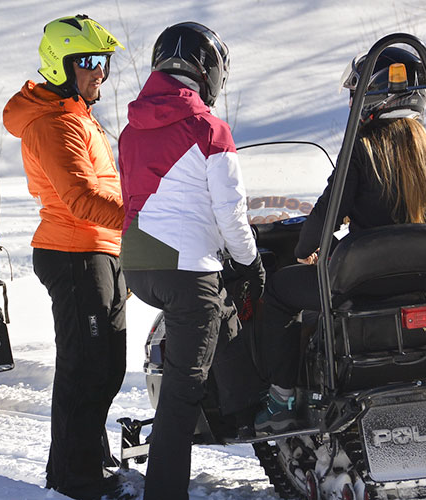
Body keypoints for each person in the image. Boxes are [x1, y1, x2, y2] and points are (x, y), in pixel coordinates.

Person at [253, 46, 426, 433]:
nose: (353, 102)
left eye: (356, 92)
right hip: (425, 287)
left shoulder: (363, 147)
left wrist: (305, 251)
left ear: (375, 94)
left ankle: (281, 398)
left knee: (279, 292)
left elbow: (325, 216)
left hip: (364, 289)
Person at [117, 22, 263, 500]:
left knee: (218, 310)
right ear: (208, 72)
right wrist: (251, 264)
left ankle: (244, 407)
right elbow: (232, 216)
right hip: (184, 270)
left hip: (140, 264)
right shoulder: (210, 130)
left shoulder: (129, 130)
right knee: (184, 391)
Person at [2, 14, 130, 500]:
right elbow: (80, 199)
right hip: (73, 251)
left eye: (105, 63)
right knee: (87, 367)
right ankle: (78, 481)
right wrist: (142, 222)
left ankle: (86, 465)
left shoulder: (76, 116)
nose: (101, 72)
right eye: (91, 62)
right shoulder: (55, 124)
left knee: (104, 366)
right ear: (62, 65)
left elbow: (104, 191)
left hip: (96, 250)